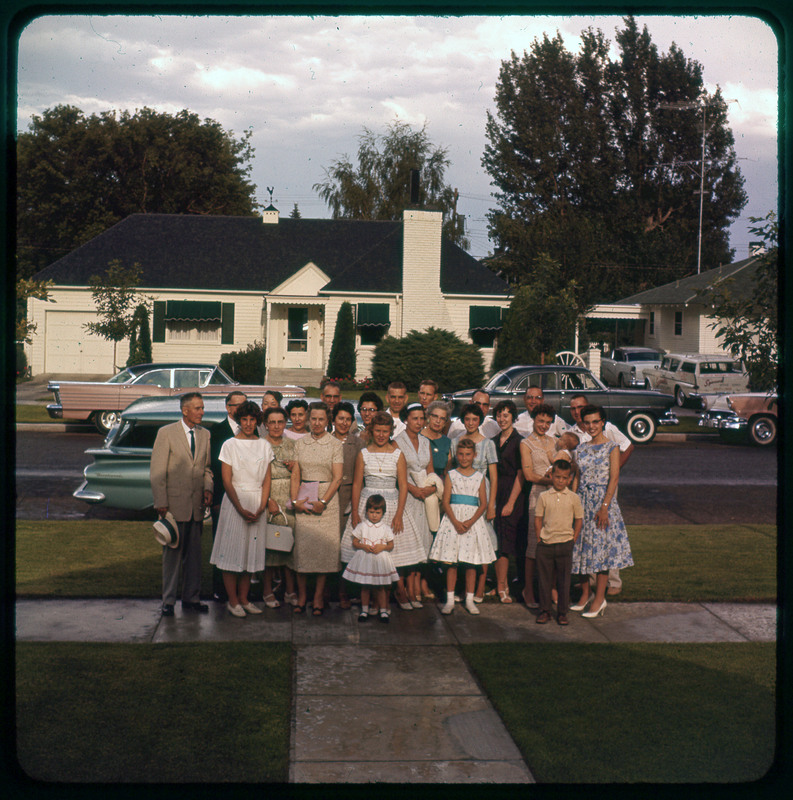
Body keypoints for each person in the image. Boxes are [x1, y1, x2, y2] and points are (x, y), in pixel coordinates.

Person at [340, 411, 423, 614]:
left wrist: (399, 514)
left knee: (388, 555)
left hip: (391, 504)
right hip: (367, 504)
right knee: (368, 552)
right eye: (377, 431)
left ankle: (387, 596)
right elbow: (358, 484)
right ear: (370, 430)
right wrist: (356, 513)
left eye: (385, 431)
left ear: (390, 432)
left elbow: (403, 485)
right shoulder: (364, 454)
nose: (380, 435)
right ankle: (371, 600)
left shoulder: (397, 454)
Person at [150, 392, 213, 617]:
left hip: (196, 507)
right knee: (172, 557)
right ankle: (168, 601)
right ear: (185, 410)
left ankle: (191, 599)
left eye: (202, 407)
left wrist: (208, 488)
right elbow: (158, 472)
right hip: (173, 507)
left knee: (195, 557)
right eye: (197, 408)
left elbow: (206, 468)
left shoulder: (205, 435)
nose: (202, 412)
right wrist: (161, 502)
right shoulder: (166, 433)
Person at [210, 400, 273, 617]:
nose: (247, 423)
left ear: (257, 421)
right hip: (235, 503)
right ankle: (233, 601)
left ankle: (245, 599)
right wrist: (239, 508)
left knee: (250, 555)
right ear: (239, 421)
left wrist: (262, 505)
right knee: (231, 554)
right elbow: (227, 481)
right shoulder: (229, 444)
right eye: (244, 419)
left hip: (257, 503)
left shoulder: (265, 445)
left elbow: (267, 479)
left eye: (251, 419)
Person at [570, 405, 634, 618]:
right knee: (579, 549)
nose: (591, 426)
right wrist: (572, 503)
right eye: (587, 422)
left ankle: (599, 598)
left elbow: (614, 478)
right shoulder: (580, 449)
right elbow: (576, 478)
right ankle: (585, 595)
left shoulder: (611, 447)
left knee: (601, 552)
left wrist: (605, 507)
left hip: (602, 504)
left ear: (603, 422)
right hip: (582, 502)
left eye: (595, 422)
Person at [429, 437, 496, 615]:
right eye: (461, 454)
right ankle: (450, 599)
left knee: (471, 563)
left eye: (468, 454)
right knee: (451, 562)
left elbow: (483, 503)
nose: (464, 458)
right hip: (454, 520)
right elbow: (446, 500)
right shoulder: (451, 475)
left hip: (472, 522)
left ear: (474, 456)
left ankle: (469, 599)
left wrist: (470, 522)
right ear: (456, 455)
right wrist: (456, 522)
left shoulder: (480, 477)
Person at [290, 402, 344, 615]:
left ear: (327, 420)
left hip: (327, 500)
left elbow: (338, 477)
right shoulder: (300, 443)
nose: (317, 423)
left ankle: (318, 597)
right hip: (304, 496)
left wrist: (324, 502)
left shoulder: (334, 444)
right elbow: (295, 474)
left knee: (324, 552)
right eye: (313, 419)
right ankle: (302, 596)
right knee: (302, 551)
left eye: (321, 419)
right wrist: (295, 502)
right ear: (308, 419)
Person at [449, 402, 498, 602]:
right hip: (461, 495)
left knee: (482, 541)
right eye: (467, 419)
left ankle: (479, 586)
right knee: (461, 540)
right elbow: (451, 471)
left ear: (480, 421)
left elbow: (494, 477)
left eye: (474, 420)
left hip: (482, 496)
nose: (470, 423)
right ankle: (463, 588)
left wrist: (492, 504)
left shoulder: (487, 443)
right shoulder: (456, 441)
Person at [394, 403, 435, 607]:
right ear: (406, 419)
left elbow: (430, 469)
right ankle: (404, 590)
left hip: (424, 500)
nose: (419, 422)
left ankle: (416, 586)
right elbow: (396, 474)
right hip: (406, 497)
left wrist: (430, 487)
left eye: (421, 418)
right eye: (414, 418)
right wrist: (413, 489)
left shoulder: (426, 442)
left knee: (422, 543)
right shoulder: (397, 442)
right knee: (407, 543)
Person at [534, 460, 583, 625]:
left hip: (565, 543)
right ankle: (544, 611)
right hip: (546, 544)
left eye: (564, 478)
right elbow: (538, 518)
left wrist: (573, 538)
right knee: (544, 580)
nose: (560, 481)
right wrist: (539, 537)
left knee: (564, 581)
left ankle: (562, 612)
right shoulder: (544, 496)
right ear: (551, 476)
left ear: (569, 479)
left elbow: (578, 520)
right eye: (557, 477)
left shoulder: (574, 498)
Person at [209, 390, 247, 602]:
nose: (240, 409)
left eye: (244, 404)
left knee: (242, 545)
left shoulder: (251, 431)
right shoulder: (217, 431)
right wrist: (215, 500)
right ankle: (219, 590)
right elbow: (213, 467)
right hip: (222, 499)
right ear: (227, 407)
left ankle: (242, 592)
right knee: (221, 545)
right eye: (236, 405)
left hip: (246, 498)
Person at [519, 403, 558, 608]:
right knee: (534, 545)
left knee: (554, 544)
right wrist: (550, 481)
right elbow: (528, 474)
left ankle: (551, 588)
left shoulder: (555, 442)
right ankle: (528, 589)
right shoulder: (526, 444)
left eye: (548, 422)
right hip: (537, 495)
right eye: (540, 421)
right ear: (533, 420)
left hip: (556, 497)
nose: (544, 425)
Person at [261, 405, 298, 607]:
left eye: (280, 422)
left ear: (285, 423)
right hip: (270, 496)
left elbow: (302, 472)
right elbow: (254, 476)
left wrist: (296, 467)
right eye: (272, 422)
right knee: (270, 545)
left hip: (289, 497)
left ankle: (290, 590)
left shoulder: (293, 445)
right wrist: (266, 500)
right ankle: (267, 590)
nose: (276, 426)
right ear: (266, 425)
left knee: (289, 544)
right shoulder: (260, 445)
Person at [343, 494, 398, 624]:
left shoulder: (385, 528)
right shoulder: (362, 526)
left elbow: (391, 545)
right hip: (366, 559)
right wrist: (364, 546)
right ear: (367, 511)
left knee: (380, 587)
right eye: (371, 512)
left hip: (380, 559)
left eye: (377, 512)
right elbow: (355, 542)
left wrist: (382, 547)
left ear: (383, 513)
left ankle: (383, 610)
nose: (374, 515)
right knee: (365, 586)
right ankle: (364, 610)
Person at [491, 400, 526, 603]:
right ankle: (498, 584)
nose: (502, 419)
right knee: (496, 540)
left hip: (513, 494)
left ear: (513, 416)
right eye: (499, 415)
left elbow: (521, 473)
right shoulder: (493, 441)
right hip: (496, 491)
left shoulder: (519, 441)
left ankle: (503, 586)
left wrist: (511, 503)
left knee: (506, 542)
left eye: (506, 415)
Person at [333, 401, 365, 608]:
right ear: (333, 420)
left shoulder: (358, 443)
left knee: (347, 547)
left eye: (347, 419)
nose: (344, 423)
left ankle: (346, 590)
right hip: (329, 495)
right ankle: (329, 588)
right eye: (340, 418)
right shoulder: (326, 441)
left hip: (350, 495)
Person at [421, 400, 453, 479]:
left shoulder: (447, 442)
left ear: (445, 422)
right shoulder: (418, 437)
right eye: (435, 416)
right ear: (428, 416)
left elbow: (448, 468)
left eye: (442, 418)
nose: (438, 421)